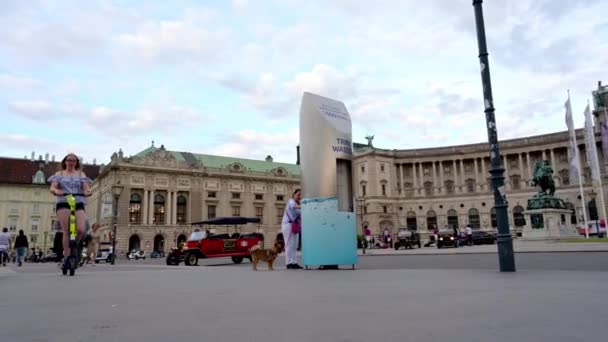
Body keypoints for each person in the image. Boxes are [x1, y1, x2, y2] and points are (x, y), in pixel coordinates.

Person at [48, 153, 93, 262]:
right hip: (64, 201)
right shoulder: (60, 174)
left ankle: (75, 246)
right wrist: (56, 191)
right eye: (69, 160)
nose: (71, 162)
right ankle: (67, 256)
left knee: (81, 229)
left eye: (74, 160)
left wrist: (88, 191)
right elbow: (53, 187)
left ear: (76, 163)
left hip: (78, 201)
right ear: (65, 162)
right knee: (67, 231)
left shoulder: (81, 174)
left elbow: (86, 188)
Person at [282, 189, 302, 269]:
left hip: (295, 226)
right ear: (294, 195)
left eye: (301, 195)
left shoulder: (299, 205)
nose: (299, 197)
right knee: (289, 244)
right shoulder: (291, 201)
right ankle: (288, 263)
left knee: (295, 245)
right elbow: (294, 206)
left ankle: (294, 262)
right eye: (298, 194)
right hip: (287, 225)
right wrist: (305, 205)